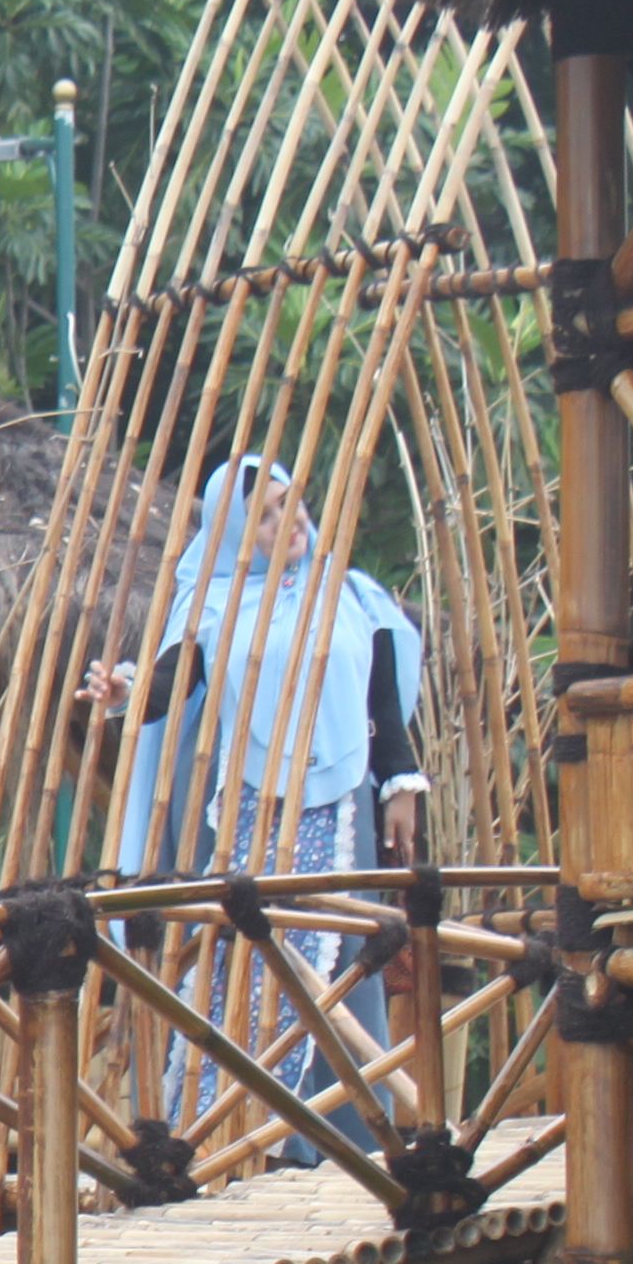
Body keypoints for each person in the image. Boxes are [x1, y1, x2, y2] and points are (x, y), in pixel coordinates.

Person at [84, 456, 430, 1146]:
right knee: (262, 967)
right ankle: (264, 1141)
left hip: (348, 814)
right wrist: (125, 694)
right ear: (239, 533)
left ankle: (358, 1141)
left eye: (292, 501)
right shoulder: (217, 611)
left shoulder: (351, 596)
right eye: (267, 514)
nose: (290, 519)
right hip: (255, 814)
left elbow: (383, 704)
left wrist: (400, 785)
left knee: (349, 965)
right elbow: (171, 682)